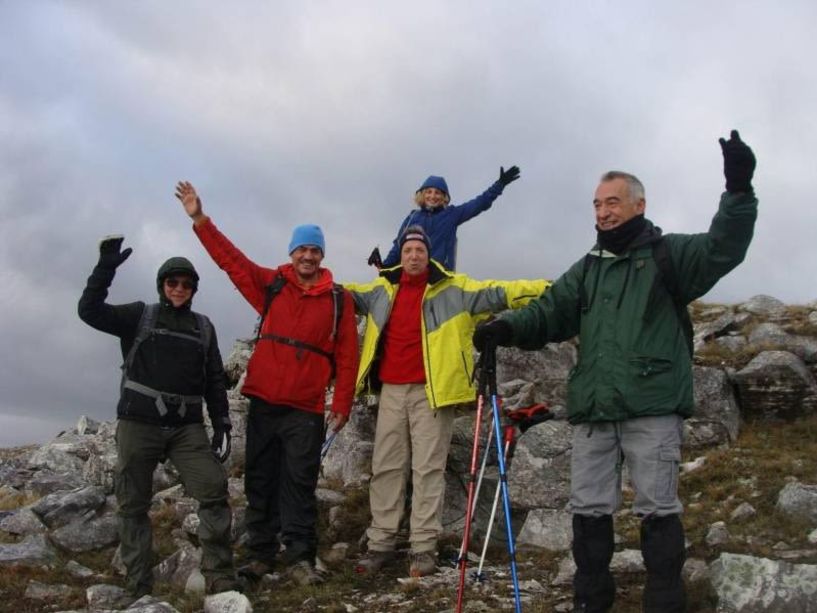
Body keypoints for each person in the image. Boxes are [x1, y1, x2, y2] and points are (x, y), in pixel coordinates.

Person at [473, 130, 758, 612]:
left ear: (639, 205)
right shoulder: (588, 267)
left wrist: (738, 190)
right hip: (595, 408)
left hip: (652, 407)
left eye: (613, 202)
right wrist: (504, 327)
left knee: (658, 510)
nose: (603, 212)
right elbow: (548, 313)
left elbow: (723, 247)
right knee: (588, 511)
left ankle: (664, 602)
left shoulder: (670, 255)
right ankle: (591, 601)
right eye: (597, 204)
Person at [174, 181, 359, 586]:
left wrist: (341, 403)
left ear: (322, 255)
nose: (307, 256)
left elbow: (348, 357)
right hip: (264, 402)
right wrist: (200, 219)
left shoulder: (339, 300)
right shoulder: (271, 285)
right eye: (301, 249)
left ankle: (299, 556)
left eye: (314, 250)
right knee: (259, 478)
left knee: (299, 482)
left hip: (307, 408)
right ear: (291, 253)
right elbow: (231, 261)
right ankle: (260, 553)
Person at [347, 225, 549, 577]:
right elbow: (341, 294)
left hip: (433, 392)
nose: (413, 256)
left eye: (419, 251)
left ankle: (423, 548)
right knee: (386, 467)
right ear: (401, 254)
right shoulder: (382, 290)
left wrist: (550, 289)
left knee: (427, 469)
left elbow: (500, 291)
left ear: (429, 255)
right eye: (407, 250)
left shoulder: (454, 288)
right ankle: (380, 542)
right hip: (391, 390)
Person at [78, 237, 240, 598]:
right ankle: (140, 587)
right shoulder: (139, 315)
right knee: (133, 503)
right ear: (162, 285)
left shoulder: (204, 327)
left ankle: (220, 578)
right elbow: (89, 311)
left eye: (186, 284)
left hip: (187, 429)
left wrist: (223, 423)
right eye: (172, 283)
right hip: (139, 425)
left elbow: (214, 379)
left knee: (213, 489)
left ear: (194, 288)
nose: (179, 289)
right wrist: (105, 268)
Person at [374, 165, 521, 271]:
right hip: (412, 275)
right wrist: (386, 266)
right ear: (422, 194)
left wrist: (499, 185)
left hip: (440, 276)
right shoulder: (412, 217)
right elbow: (399, 245)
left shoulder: (452, 214)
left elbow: (479, 203)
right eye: (429, 192)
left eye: (438, 193)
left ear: (444, 197)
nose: (433, 196)